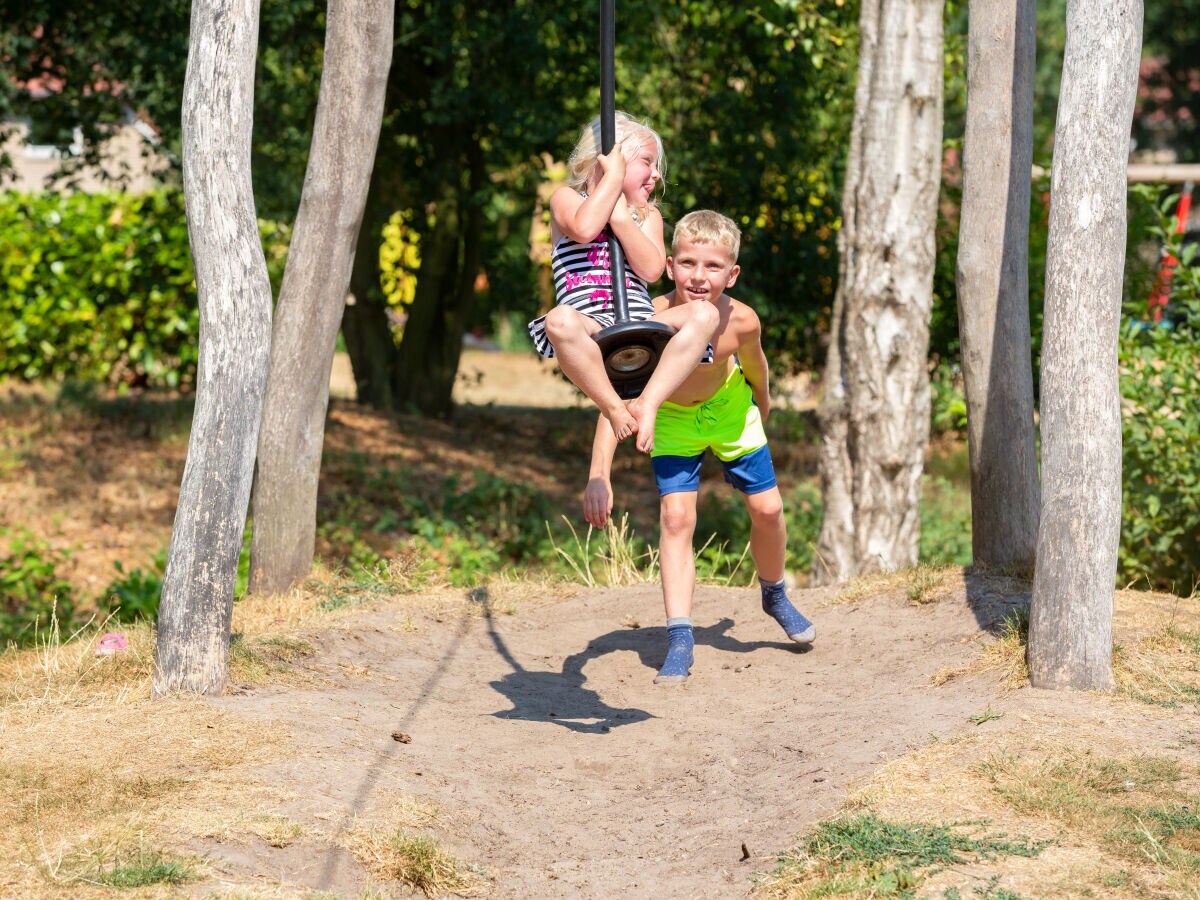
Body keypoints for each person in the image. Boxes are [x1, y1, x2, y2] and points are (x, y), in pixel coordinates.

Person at [582, 210, 815, 684]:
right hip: (671, 417)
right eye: (688, 263)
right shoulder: (647, 320)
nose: (698, 277)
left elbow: (757, 365)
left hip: (729, 410)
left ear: (732, 274)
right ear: (669, 266)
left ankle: (774, 593)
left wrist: (763, 405)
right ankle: (680, 636)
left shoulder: (742, 320)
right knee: (676, 518)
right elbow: (615, 399)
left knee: (769, 510)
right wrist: (598, 473)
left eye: (712, 267)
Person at [528, 112, 718, 454]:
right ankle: (614, 407)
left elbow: (651, 270)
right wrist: (611, 183)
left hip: (640, 321)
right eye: (647, 161)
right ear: (610, 161)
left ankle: (649, 402)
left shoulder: (648, 216)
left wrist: (620, 217)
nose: (656, 174)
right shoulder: (565, 199)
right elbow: (585, 229)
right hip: (589, 324)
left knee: (704, 314)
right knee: (558, 320)